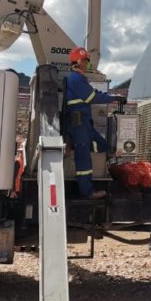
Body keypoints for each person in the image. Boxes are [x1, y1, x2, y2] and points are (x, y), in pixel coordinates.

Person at [63, 47, 116, 199]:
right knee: (83, 156)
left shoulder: (78, 79)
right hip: (79, 124)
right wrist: (112, 98)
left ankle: (110, 161)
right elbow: (91, 97)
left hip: (84, 123)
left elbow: (92, 94)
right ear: (78, 62)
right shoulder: (76, 79)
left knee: (103, 145)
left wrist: (110, 96)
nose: (87, 64)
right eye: (85, 61)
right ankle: (87, 191)